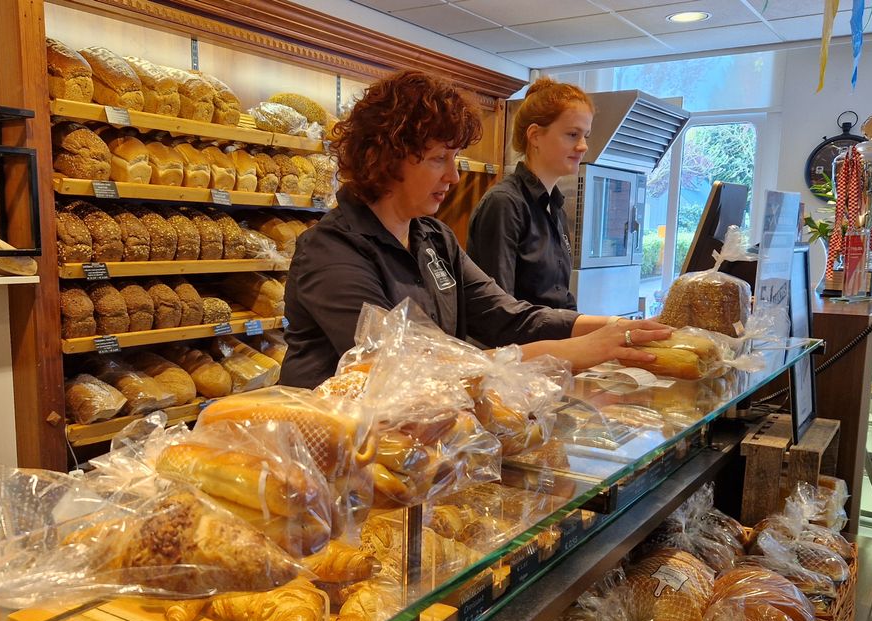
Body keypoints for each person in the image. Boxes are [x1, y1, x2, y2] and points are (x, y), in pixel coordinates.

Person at [280, 70, 670, 390]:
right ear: (383, 159)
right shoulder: (330, 251)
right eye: (438, 159)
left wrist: (617, 327)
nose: (453, 176)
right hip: (328, 454)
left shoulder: (433, 238)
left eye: (455, 159)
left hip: (408, 442)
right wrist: (573, 351)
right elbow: (398, 367)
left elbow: (506, 316)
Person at [466, 78, 591, 310]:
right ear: (535, 136)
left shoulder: (555, 209)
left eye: (586, 136)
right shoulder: (504, 204)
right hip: (516, 347)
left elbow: (561, 301)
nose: (583, 145)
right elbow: (500, 311)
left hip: (552, 344)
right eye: (573, 134)